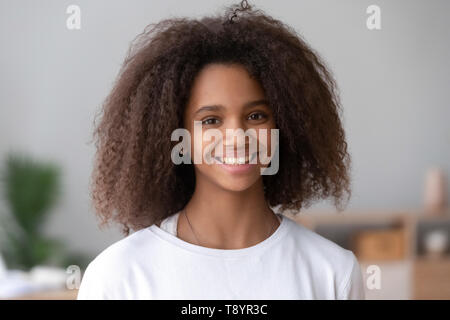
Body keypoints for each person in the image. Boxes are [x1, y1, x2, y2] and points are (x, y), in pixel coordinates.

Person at [77, 0, 365, 299]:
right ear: (176, 135)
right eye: (211, 120)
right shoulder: (118, 277)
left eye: (256, 116)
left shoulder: (333, 272)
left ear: (285, 125)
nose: (237, 137)